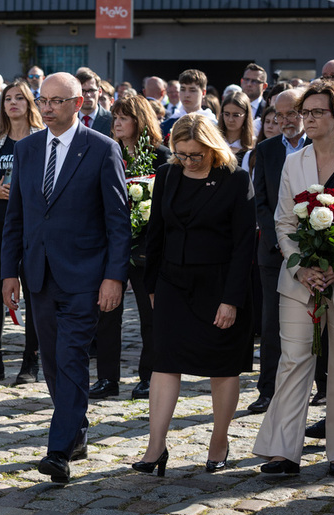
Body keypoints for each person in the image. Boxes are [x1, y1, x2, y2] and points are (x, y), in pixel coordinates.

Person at [1, 72, 130, 484]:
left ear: (78, 104)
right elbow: (16, 217)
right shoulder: (27, 148)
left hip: (85, 275)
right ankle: (76, 430)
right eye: (44, 100)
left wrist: (114, 277)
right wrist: (8, 272)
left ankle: (58, 451)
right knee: (53, 362)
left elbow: (118, 221)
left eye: (57, 101)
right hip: (38, 274)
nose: (48, 108)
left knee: (72, 356)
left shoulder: (102, 149)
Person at [134, 113, 255, 476]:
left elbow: (244, 245)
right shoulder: (168, 174)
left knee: (222, 365)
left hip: (219, 286)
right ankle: (156, 446)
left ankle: (219, 440)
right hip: (173, 282)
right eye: (182, 154)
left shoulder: (235, 179)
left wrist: (231, 299)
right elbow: (156, 233)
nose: (187, 161)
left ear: (212, 148)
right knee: (164, 361)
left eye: (195, 155)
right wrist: (151, 286)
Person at [253, 81, 334, 476]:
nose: (307, 119)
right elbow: (283, 221)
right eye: (304, 113)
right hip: (299, 280)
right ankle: (283, 451)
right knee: (294, 360)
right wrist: (301, 268)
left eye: (317, 112)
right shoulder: (294, 161)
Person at [93, 94, 170, 401]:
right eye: (115, 118)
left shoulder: (161, 156)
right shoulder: (108, 152)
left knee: (149, 314)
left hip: (146, 246)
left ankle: (149, 376)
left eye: (123, 118)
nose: (117, 123)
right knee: (107, 310)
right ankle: (107, 378)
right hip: (111, 245)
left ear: (140, 121)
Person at [0, 79, 44, 384]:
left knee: (32, 287)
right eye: (8, 99)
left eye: (20, 98)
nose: (13, 103)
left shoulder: (42, 137)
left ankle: (31, 358)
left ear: (29, 103)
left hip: (30, 222)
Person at [248, 89, 309, 414]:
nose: (284, 121)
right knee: (272, 324)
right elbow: (261, 202)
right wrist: (282, 244)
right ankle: (267, 390)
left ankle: (322, 389)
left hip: (317, 251)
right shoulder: (266, 149)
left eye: (291, 114)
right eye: (278, 115)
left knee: (318, 322)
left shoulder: (318, 146)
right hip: (274, 253)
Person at [219, 91, 255, 162]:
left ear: (246, 116)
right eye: (226, 114)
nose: (230, 119)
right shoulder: (213, 141)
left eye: (236, 115)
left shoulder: (253, 145)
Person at [75, 68, 112, 137]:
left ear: (100, 91)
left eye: (91, 90)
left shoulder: (111, 120)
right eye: (83, 91)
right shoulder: (67, 119)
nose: (87, 95)